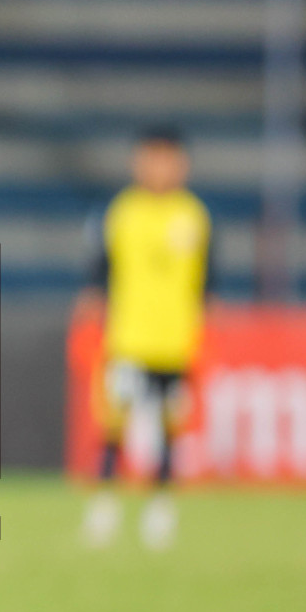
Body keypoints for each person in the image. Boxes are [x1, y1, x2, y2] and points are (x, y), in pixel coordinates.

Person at [81, 126, 212, 550]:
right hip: (129, 340)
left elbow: (208, 282)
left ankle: (161, 507)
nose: (158, 168)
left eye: (166, 159)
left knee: (170, 427)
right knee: (115, 424)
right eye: (151, 158)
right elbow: (101, 274)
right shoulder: (122, 212)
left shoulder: (194, 216)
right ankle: (105, 504)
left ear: (181, 165)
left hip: (176, 343)